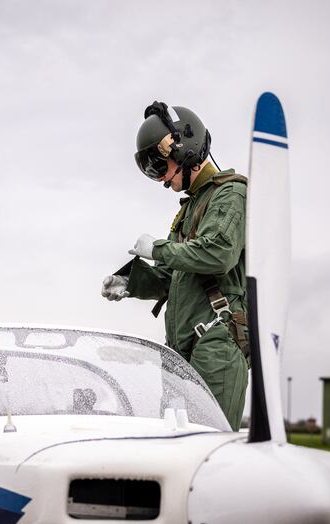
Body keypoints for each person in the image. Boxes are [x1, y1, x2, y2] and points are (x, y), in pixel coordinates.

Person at [101, 101, 249, 430]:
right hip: (181, 352)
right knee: (173, 447)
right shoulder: (190, 209)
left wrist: (158, 248)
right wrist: (131, 281)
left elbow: (218, 255)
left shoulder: (230, 195)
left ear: (184, 149)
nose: (161, 179)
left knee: (209, 446)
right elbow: (173, 277)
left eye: (160, 166)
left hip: (216, 346)